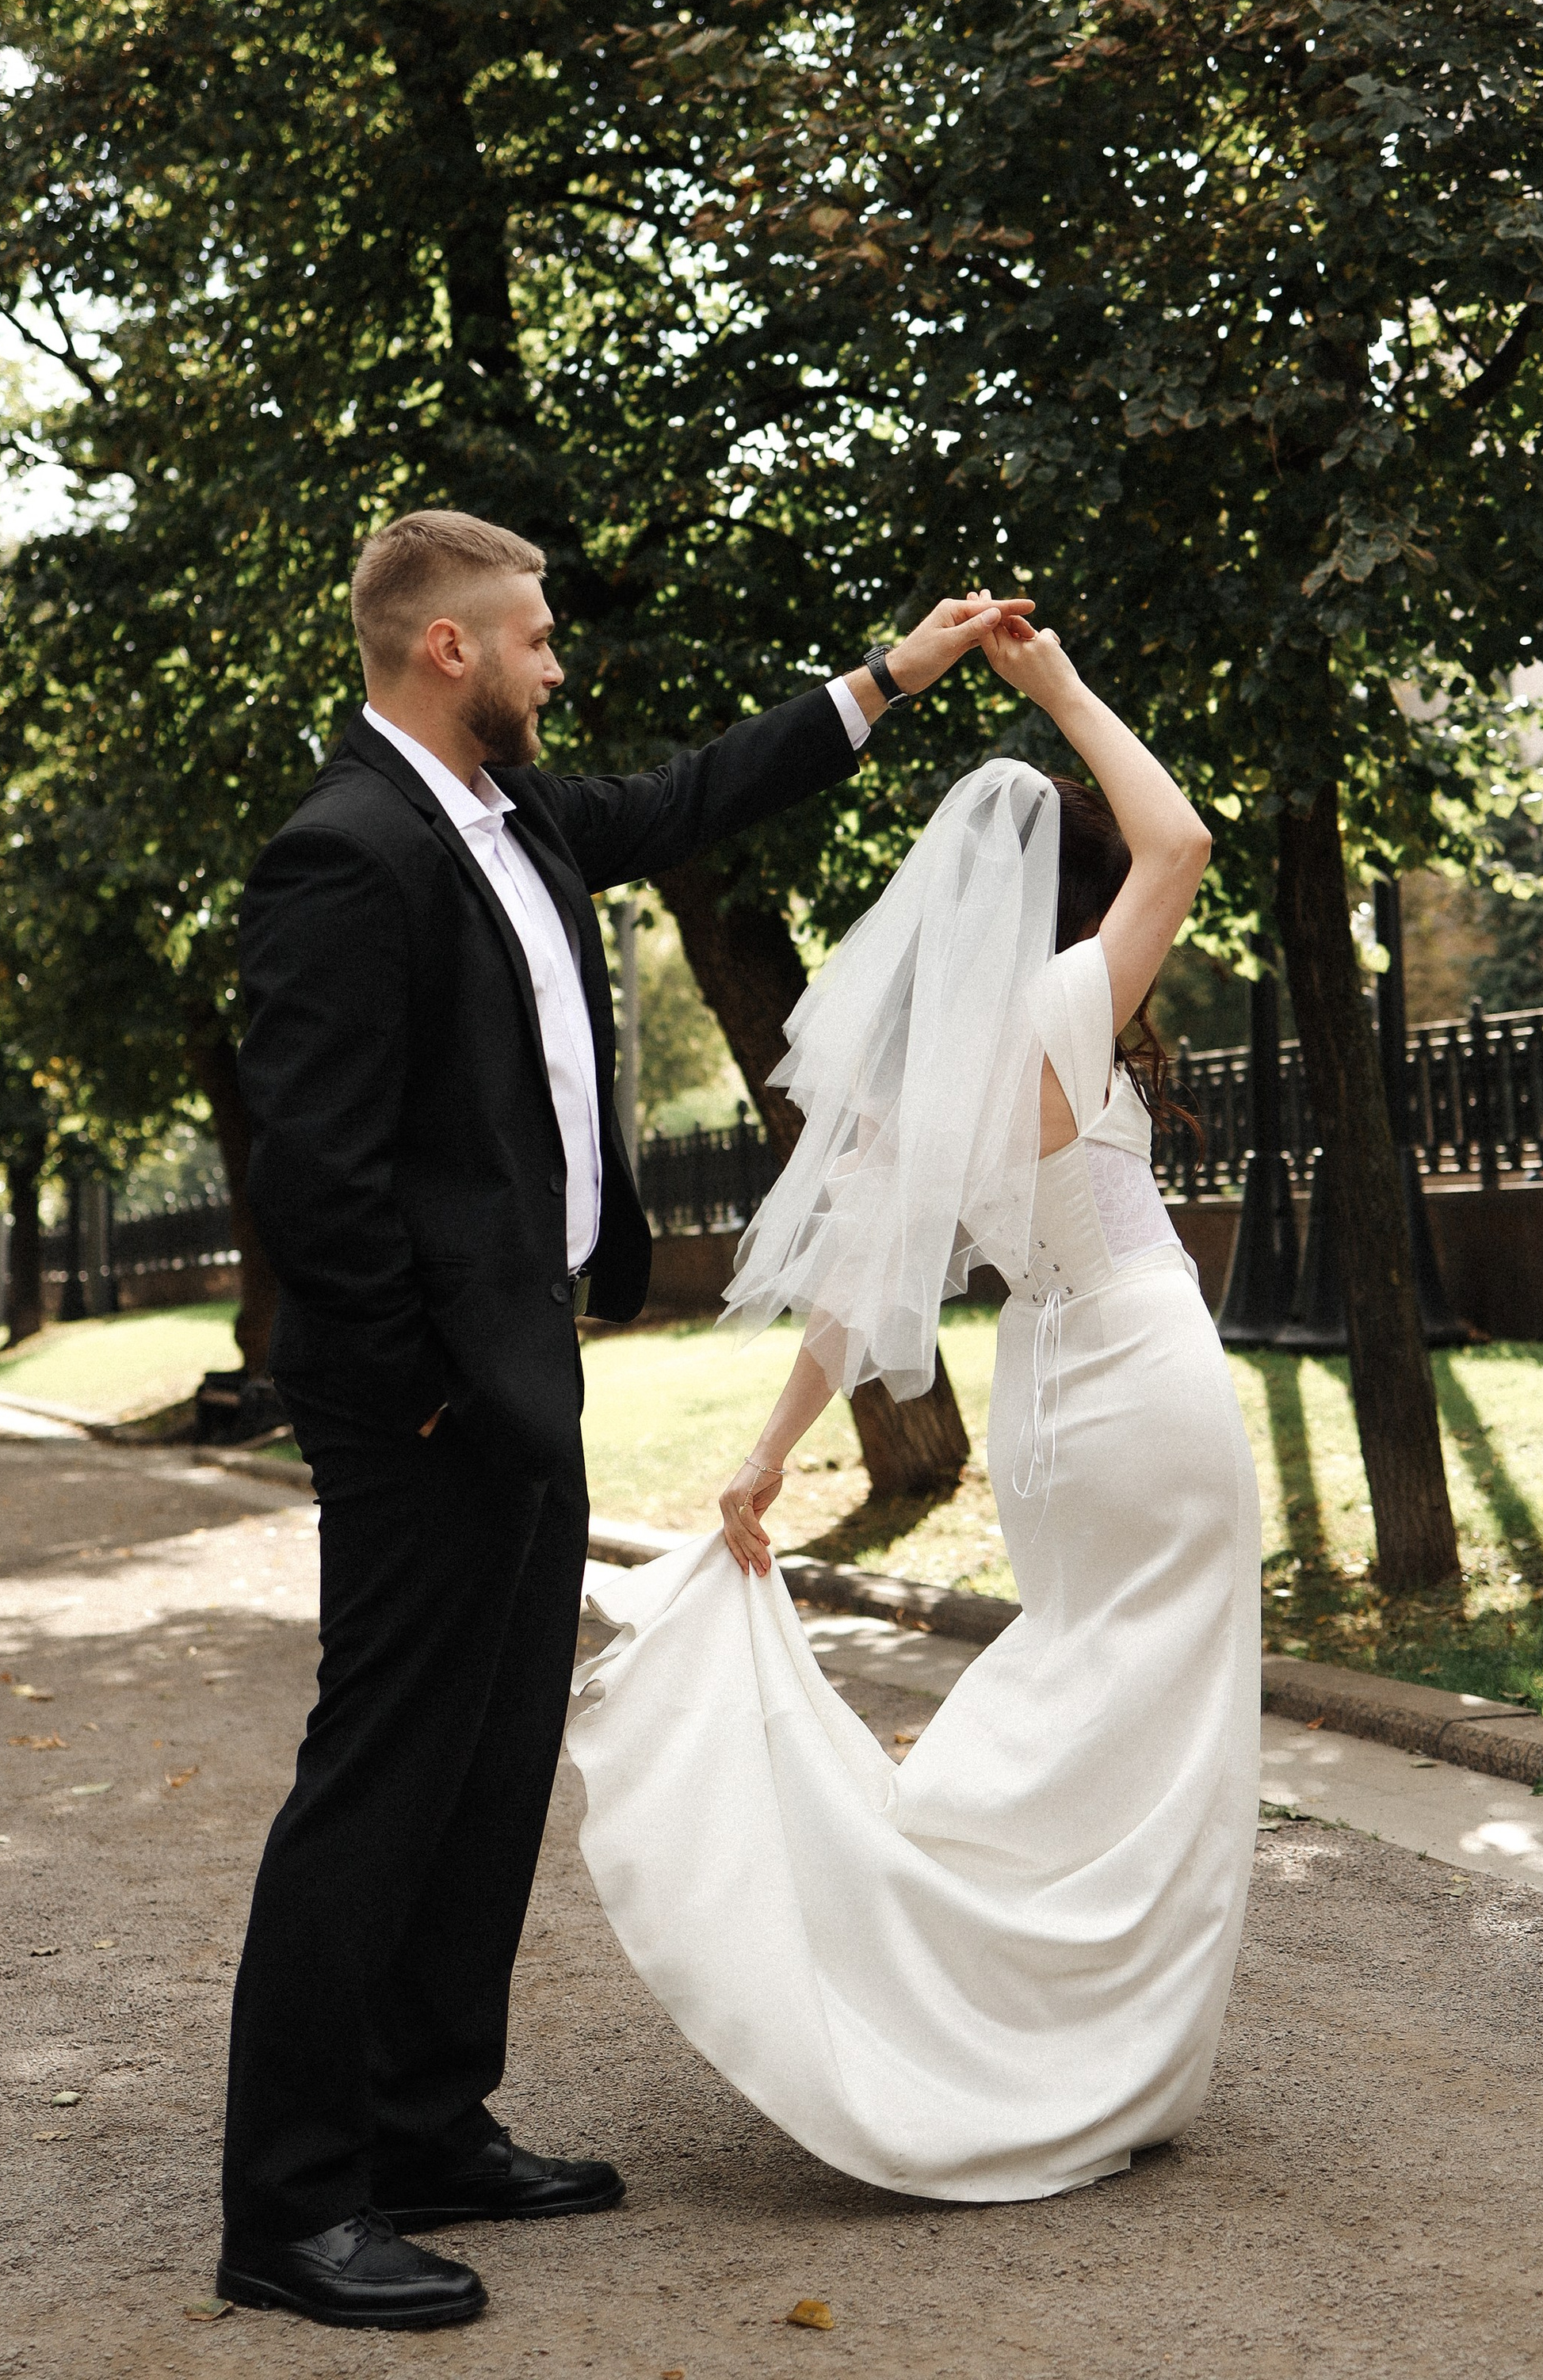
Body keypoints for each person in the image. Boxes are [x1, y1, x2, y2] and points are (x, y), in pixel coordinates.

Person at [220, 506, 1025, 2328]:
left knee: (491, 1768)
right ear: (448, 652)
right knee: (378, 1784)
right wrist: (423, 1402)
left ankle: (427, 2125)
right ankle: (285, 2207)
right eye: (534, 639)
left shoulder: (520, 822)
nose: (555, 665)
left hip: (524, 1381)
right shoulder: (345, 853)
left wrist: (900, 668)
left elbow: (693, 794)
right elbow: (316, 1178)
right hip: (428, 1409)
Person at [567, 614, 1261, 2201]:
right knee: (1153, 1714)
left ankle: (979, 1984)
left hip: (1040, 1408)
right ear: (1070, 913)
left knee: (1077, 1682)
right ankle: (1084, 2042)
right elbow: (1184, 838)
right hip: (1142, 1388)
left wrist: (761, 1459)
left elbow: (857, 1286)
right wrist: (1062, 690)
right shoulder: (1066, 1012)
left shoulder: (933, 1072)